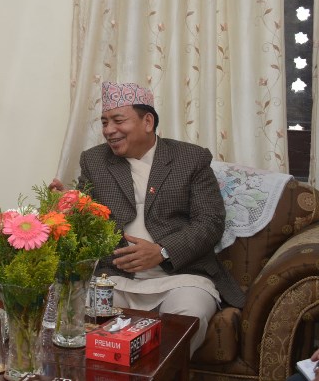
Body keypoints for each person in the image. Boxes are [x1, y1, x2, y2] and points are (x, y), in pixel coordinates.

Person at [51, 82, 245, 356]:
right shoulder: (94, 161)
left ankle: (159, 373)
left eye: (118, 120)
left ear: (148, 122)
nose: (109, 130)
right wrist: (68, 208)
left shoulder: (190, 158)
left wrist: (162, 251)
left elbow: (210, 221)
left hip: (180, 279)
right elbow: (87, 221)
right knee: (64, 313)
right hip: (114, 279)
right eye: (104, 122)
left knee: (187, 315)